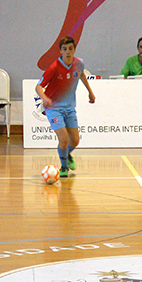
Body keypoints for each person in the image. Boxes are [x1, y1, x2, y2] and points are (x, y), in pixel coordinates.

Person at [35, 36, 95, 177]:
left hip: (69, 107)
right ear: (60, 51)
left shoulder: (79, 63)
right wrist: (44, 98)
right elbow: (38, 87)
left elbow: (81, 76)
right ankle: (64, 167)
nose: (68, 52)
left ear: (74, 49)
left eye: (70, 49)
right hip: (53, 108)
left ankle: (66, 155)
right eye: (65, 49)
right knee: (63, 139)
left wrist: (90, 92)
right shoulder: (54, 67)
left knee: (75, 140)